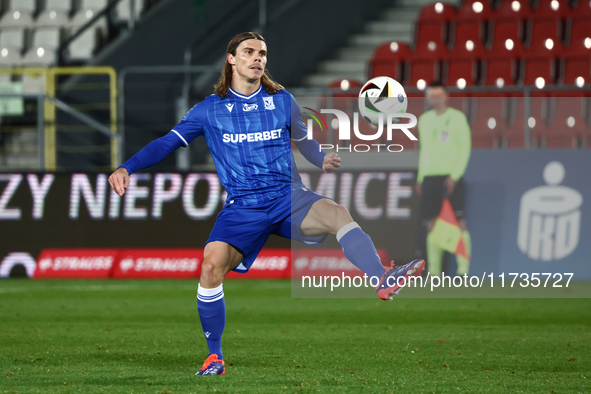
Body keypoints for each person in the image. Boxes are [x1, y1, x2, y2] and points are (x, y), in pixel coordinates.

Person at [108, 32, 425, 376]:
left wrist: (322, 160)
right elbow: (167, 143)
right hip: (244, 207)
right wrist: (127, 167)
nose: (258, 58)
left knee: (338, 214)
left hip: (288, 197)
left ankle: (381, 277)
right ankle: (214, 357)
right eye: (249, 52)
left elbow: (305, 141)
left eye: (262, 53)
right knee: (211, 266)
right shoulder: (208, 111)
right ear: (231, 59)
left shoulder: (281, 101)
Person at [415, 81, 472, 277]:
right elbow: (425, 150)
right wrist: (421, 177)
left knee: (459, 221)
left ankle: (463, 269)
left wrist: (455, 175)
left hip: (450, 176)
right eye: (432, 95)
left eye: (439, 95)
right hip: (430, 177)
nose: (435, 99)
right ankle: (433, 271)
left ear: (446, 96)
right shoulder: (424, 119)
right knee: (431, 222)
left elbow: (465, 149)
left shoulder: (457, 118)